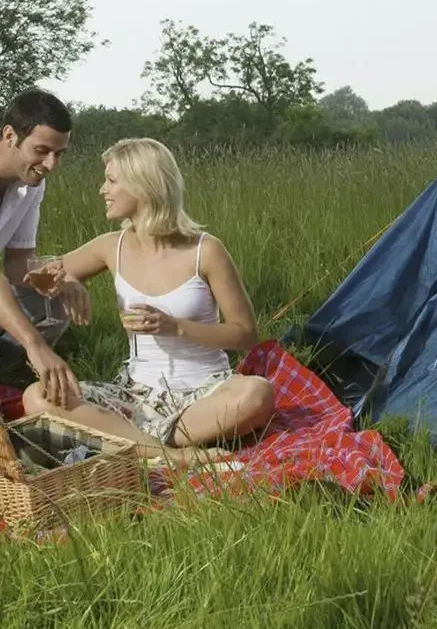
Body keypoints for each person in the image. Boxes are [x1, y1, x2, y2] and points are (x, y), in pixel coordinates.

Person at [22, 137, 274, 465]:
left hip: (203, 396)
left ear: (144, 186)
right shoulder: (111, 246)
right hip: (134, 395)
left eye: (111, 181)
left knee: (256, 393)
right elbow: (35, 276)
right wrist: (66, 279)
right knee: (37, 396)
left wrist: (176, 327)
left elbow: (245, 333)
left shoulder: (206, 251)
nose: (102, 189)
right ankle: (174, 457)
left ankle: (129, 442)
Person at [0, 89, 91, 406]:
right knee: (31, 335)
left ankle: (10, 372)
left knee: (53, 304)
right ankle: (31, 359)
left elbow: (16, 263)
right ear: (10, 135)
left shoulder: (31, 184)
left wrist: (58, 278)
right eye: (41, 150)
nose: (50, 164)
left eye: (59, 153)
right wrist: (34, 343)